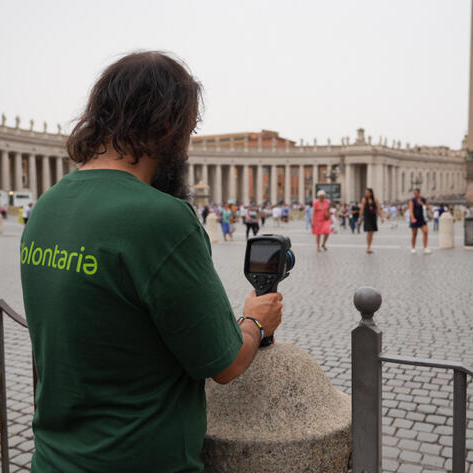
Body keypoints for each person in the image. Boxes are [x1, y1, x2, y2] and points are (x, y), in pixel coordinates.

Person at [20, 52, 283, 472]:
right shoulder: (162, 218)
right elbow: (227, 363)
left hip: (53, 460)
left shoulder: (47, 207)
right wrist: (255, 320)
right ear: (166, 125)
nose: (188, 147)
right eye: (189, 130)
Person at [359, 188, 383, 254]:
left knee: (371, 233)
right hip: (367, 218)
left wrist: (381, 217)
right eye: (365, 192)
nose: (366, 194)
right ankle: (368, 247)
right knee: (369, 232)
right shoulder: (364, 200)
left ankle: (369, 245)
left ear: (371, 193)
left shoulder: (375, 199)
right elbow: (362, 209)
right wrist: (360, 219)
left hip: (373, 218)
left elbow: (378, 209)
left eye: (367, 192)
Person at [408, 188, 431, 254]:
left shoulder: (424, 199)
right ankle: (413, 248)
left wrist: (422, 204)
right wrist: (412, 218)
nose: (415, 194)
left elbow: (428, 208)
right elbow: (411, 210)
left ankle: (425, 248)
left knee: (425, 232)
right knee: (414, 234)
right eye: (414, 193)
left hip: (422, 218)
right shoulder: (412, 200)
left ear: (419, 193)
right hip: (415, 218)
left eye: (416, 193)